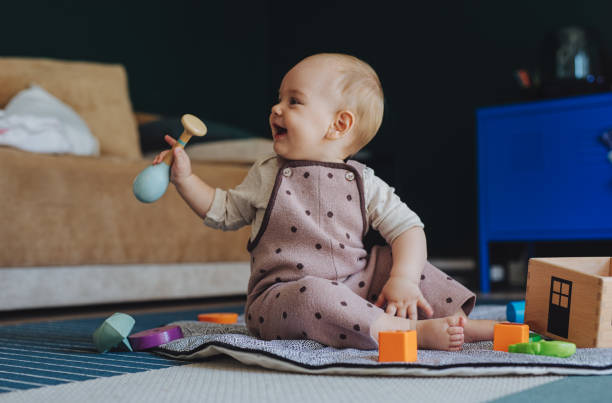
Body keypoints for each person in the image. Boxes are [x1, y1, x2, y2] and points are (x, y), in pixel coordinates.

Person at [152, 53, 496, 350]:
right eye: (279, 98)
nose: (276, 108)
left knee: (397, 262)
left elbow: (409, 228)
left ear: (339, 124)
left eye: (293, 101)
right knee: (313, 294)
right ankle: (410, 333)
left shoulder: (365, 182)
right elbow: (223, 210)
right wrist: (185, 180)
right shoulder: (268, 173)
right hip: (282, 298)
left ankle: (458, 325)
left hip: (355, 285)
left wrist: (402, 279)